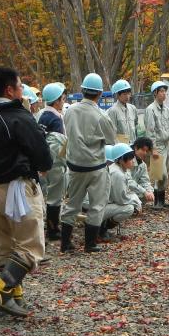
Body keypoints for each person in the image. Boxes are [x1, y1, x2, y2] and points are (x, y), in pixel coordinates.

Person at [0, 67, 53, 317]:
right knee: (30, 246)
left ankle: (14, 297)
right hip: (16, 188)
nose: (22, 91)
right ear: (9, 90)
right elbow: (43, 156)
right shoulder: (19, 117)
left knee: (5, 245)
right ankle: (2, 292)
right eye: (19, 87)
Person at [61, 73, 116, 253]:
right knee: (97, 204)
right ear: (100, 94)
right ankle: (90, 244)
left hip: (75, 165)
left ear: (82, 90)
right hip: (96, 166)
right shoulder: (101, 115)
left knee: (72, 204)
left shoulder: (70, 111)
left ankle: (65, 243)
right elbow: (110, 139)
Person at [38, 82, 68, 241]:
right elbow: (59, 145)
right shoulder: (55, 119)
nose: (63, 101)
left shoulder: (43, 115)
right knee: (55, 196)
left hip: (47, 161)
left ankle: (52, 226)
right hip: (55, 162)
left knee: (51, 195)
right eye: (62, 98)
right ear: (56, 100)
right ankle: (53, 229)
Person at [101, 143, 141, 241]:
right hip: (100, 206)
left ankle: (102, 228)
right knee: (129, 209)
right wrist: (136, 203)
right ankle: (102, 229)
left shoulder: (118, 169)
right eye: (130, 159)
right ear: (122, 160)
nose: (133, 161)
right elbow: (121, 200)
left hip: (102, 204)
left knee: (132, 203)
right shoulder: (118, 174)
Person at [144, 81, 169, 209]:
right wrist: (153, 148)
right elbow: (150, 130)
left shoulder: (167, 109)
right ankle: (157, 201)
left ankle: (161, 201)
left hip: (166, 145)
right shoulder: (150, 109)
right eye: (161, 91)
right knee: (161, 174)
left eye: (164, 91)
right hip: (158, 145)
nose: (163, 93)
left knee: (164, 174)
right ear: (155, 93)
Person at [128, 137, 155, 205]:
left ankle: (134, 205)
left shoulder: (142, 164)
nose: (145, 153)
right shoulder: (127, 159)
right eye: (143, 150)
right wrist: (144, 192)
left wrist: (149, 191)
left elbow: (145, 181)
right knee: (128, 209)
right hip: (121, 189)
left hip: (131, 190)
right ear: (136, 148)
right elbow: (128, 181)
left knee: (148, 193)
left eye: (146, 151)